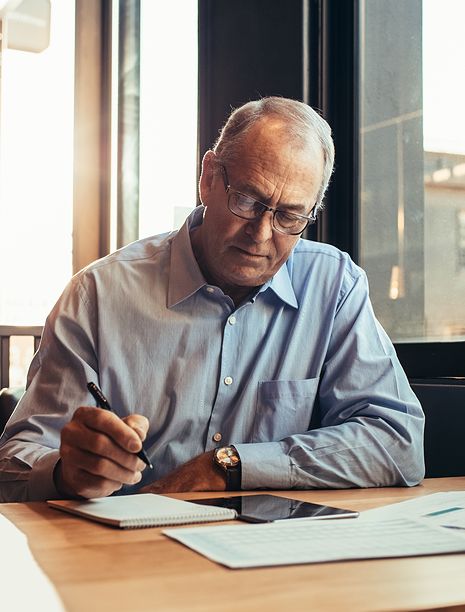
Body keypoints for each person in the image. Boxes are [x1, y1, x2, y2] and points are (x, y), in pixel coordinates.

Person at [0, 97, 425, 502]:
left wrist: (229, 465)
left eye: (290, 216)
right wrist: (65, 471)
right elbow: (14, 466)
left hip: (273, 557)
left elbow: (397, 444)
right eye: (247, 200)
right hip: (127, 557)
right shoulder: (97, 295)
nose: (260, 235)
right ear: (207, 178)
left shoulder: (334, 286)